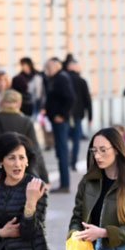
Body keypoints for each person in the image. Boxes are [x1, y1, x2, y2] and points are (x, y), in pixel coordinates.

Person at [0, 90, 48, 183]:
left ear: (1, 103)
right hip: (19, 173)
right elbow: (35, 151)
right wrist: (44, 177)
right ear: (19, 103)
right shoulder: (26, 122)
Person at [43, 58, 75, 193]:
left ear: (55, 67)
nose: (47, 71)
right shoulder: (57, 78)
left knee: (62, 152)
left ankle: (65, 184)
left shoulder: (61, 79)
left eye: (48, 68)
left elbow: (70, 98)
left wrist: (61, 115)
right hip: (56, 121)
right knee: (60, 151)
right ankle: (64, 183)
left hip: (60, 122)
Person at [64, 55, 94, 171]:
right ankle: (73, 162)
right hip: (77, 115)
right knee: (76, 140)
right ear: (75, 68)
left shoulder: (64, 79)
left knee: (64, 139)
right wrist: (90, 116)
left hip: (65, 115)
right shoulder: (82, 81)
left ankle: (66, 160)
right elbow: (88, 100)